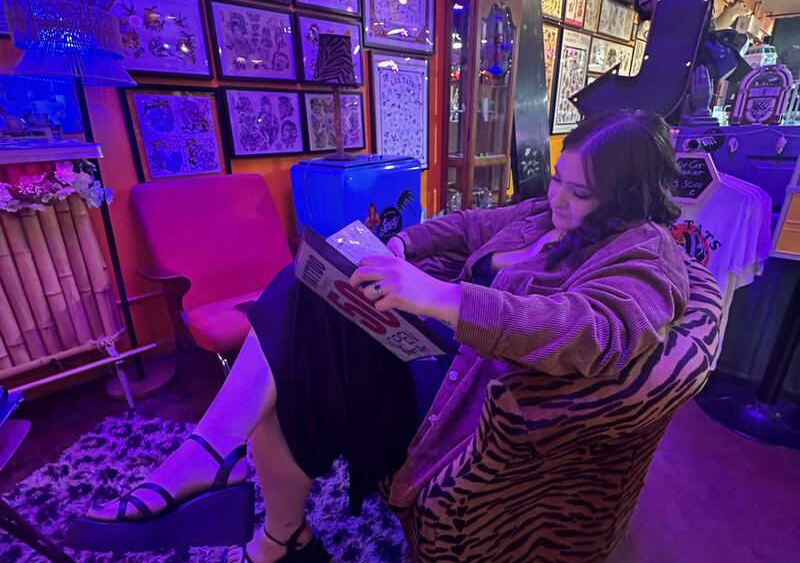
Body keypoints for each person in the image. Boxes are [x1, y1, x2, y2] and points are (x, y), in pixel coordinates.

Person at [82, 109, 689, 563]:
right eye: (557, 179)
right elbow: (464, 225)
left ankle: (230, 479)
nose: (556, 197)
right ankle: (267, 521)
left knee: (297, 322)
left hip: (469, 401)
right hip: (433, 356)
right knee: (304, 305)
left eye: (579, 192)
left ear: (627, 201)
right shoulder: (539, 214)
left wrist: (439, 296)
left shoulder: (644, 255)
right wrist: (400, 244)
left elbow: (593, 332)